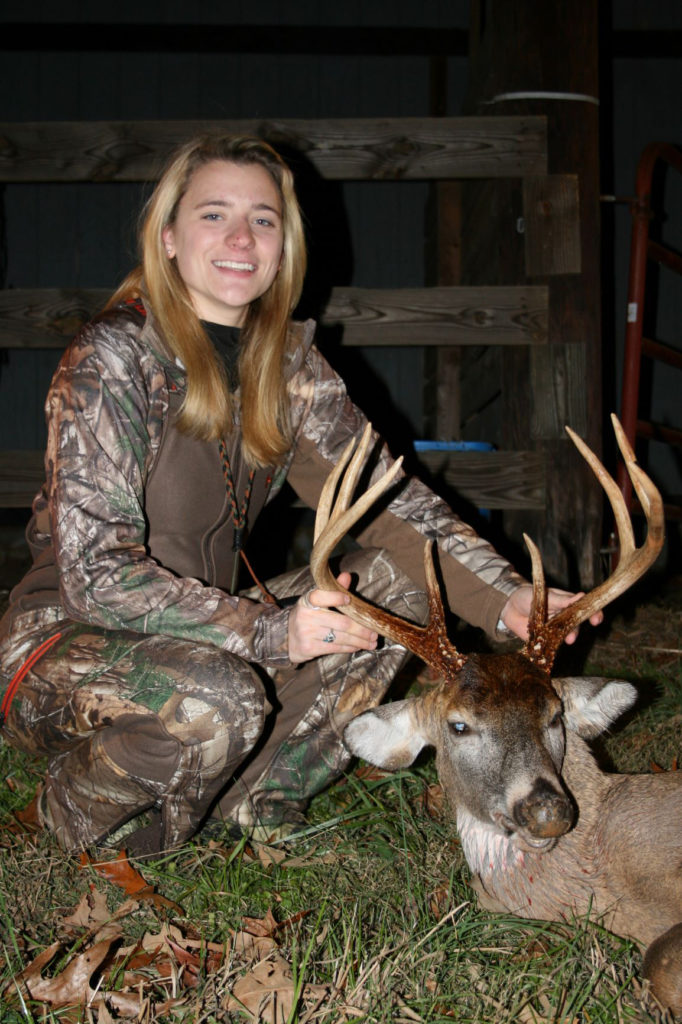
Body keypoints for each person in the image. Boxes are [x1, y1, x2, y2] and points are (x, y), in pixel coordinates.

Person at [0, 135, 600, 856]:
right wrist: (269, 634)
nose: (240, 239)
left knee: (395, 587)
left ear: (284, 246)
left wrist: (505, 597)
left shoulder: (288, 367)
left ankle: (260, 799)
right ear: (168, 237)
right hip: (59, 646)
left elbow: (387, 500)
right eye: (213, 215)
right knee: (224, 699)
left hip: (198, 636)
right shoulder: (114, 357)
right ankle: (80, 815)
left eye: (263, 219)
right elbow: (98, 573)